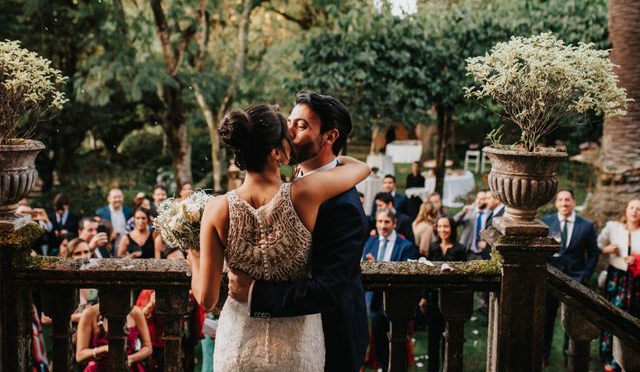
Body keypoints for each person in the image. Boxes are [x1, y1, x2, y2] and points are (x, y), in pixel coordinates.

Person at [187, 99, 370, 371]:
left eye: (300, 125)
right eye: (288, 128)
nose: (292, 135)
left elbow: (206, 299)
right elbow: (363, 169)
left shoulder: (216, 209)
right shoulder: (307, 192)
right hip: (296, 347)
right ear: (277, 152)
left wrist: (193, 253)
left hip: (240, 341)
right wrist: (340, 158)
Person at [541, 189, 599, 366]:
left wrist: (585, 275)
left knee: (573, 320)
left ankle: (570, 355)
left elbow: (593, 254)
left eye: (567, 200)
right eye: (560, 200)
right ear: (556, 203)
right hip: (551, 278)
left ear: (574, 202)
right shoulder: (546, 222)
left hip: (575, 279)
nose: (564, 203)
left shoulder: (586, 225)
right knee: (546, 318)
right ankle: (543, 355)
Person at [362, 208, 418, 371]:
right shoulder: (369, 242)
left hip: (396, 302)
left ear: (394, 224)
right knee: (379, 339)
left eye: (386, 222)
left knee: (397, 340)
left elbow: (406, 273)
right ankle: (382, 366)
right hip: (374, 301)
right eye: (380, 221)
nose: (383, 225)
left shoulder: (406, 246)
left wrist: (378, 267)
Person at [597, 198, 640, 371]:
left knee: (634, 315)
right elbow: (596, 245)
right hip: (616, 278)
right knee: (611, 314)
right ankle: (608, 358)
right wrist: (605, 250)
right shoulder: (613, 227)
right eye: (632, 207)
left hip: (636, 281)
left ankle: (631, 357)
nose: (635, 211)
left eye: (639, 208)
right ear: (626, 209)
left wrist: (636, 259)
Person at [422, 214, 467, 372]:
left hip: (452, 300)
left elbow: (464, 276)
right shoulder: (433, 247)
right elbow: (428, 272)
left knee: (449, 338)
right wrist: (423, 297)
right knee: (433, 339)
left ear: (452, 228)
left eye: (446, 226)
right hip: (434, 300)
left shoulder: (460, 249)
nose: (442, 230)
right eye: (439, 226)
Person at [75, 302, 152, 371]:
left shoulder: (135, 312)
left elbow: (148, 347)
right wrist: (104, 349)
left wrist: (129, 359)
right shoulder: (90, 313)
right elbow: (80, 356)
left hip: (128, 368)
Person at [454, 190, 490, 260]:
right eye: (477, 198)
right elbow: (454, 223)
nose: (479, 201)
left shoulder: (490, 214)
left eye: (482, 199)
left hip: (483, 253)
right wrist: (463, 212)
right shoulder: (469, 211)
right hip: (467, 250)